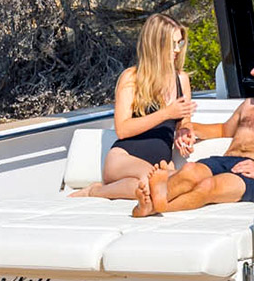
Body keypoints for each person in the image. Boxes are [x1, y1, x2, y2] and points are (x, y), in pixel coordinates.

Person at [134, 43, 254, 217]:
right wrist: (187, 128)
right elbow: (223, 130)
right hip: (225, 161)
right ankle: (150, 202)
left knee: (209, 186)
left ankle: (154, 207)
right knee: (190, 170)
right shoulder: (248, 105)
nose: (253, 71)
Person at [73, 14, 195, 199]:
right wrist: (165, 113)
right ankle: (94, 191)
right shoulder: (132, 77)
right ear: (156, 45)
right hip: (123, 159)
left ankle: (113, 191)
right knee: (155, 181)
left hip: (160, 164)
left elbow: (184, 119)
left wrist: (184, 130)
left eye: (180, 43)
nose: (177, 50)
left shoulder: (181, 79)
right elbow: (122, 129)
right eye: (172, 44)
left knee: (174, 185)